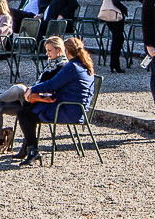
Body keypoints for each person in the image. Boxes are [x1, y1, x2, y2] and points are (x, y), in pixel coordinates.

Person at [0, 35, 67, 156]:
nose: (47, 53)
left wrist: (32, 90)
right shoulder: (51, 63)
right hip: (32, 99)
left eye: (50, 50)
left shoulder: (62, 67)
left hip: (43, 101)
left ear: (59, 50)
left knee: (19, 88)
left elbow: (51, 87)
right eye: (46, 50)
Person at [12, 38, 96, 166]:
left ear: (66, 51)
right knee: (27, 110)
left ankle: (32, 150)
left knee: (24, 113)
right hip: (77, 109)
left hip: (68, 110)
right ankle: (30, 149)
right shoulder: (83, 65)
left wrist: (32, 89)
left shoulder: (72, 67)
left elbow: (52, 84)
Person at [96, 0, 130, 72]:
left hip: (108, 15)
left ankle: (114, 64)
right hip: (115, 15)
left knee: (116, 39)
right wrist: (124, 9)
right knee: (118, 39)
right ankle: (115, 64)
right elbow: (115, 1)